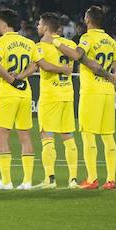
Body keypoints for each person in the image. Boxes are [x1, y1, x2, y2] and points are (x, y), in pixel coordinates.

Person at [57, 5, 116, 189]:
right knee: (108, 136)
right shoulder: (110, 40)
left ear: (87, 19)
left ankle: (92, 179)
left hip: (91, 92)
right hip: (108, 92)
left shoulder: (86, 38)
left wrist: (59, 44)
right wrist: (114, 88)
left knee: (88, 135)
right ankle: (111, 179)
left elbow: (78, 55)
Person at [0, 9, 39, 190]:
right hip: (25, 92)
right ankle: (27, 182)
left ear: (4, 23)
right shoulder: (28, 42)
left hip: (7, 92)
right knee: (25, 136)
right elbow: (35, 65)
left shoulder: (1, 41)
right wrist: (21, 77)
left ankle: (6, 181)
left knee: (2, 136)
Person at [34, 12, 81, 188]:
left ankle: (50, 179)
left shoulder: (40, 46)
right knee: (68, 136)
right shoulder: (69, 44)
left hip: (50, 95)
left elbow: (43, 66)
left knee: (46, 135)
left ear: (46, 27)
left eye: (39, 24)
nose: (37, 27)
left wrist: (59, 69)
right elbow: (75, 58)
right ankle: (73, 179)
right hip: (67, 94)